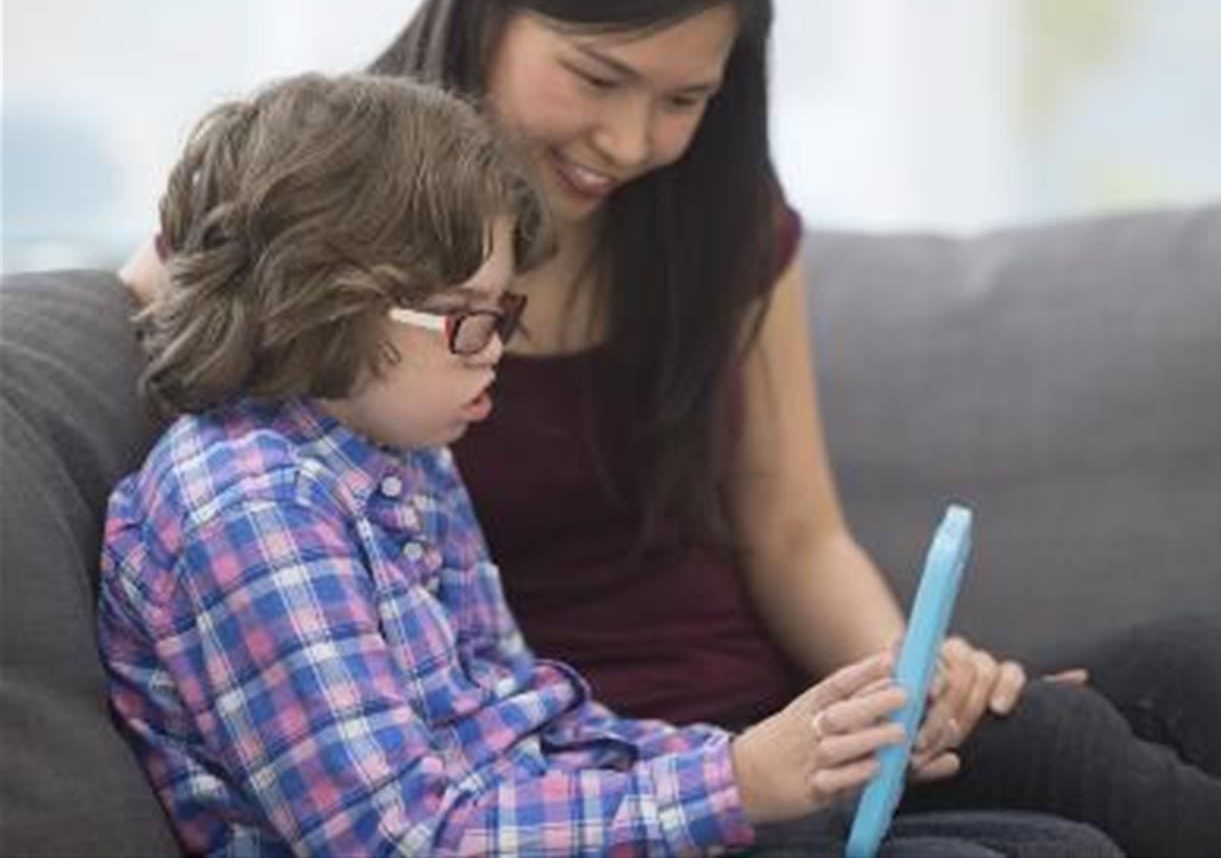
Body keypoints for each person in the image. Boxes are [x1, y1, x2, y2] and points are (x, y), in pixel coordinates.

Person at [118, 0, 1221, 856]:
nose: (631, 141)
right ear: (490, 2)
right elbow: (210, 289)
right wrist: (207, 261)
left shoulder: (715, 231)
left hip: (709, 735)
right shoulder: (352, 256)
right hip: (642, 777)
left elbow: (791, 530)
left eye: (682, 97)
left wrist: (903, 680)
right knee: (1065, 767)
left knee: (1216, 656)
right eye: (595, 77)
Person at [105, 72, 1114, 857]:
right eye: (470, 317)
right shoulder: (250, 511)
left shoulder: (395, 457)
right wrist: (734, 784)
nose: (497, 343)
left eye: (504, 311)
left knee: (1052, 838)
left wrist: (777, 758)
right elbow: (406, 838)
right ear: (328, 299)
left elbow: (529, 732)